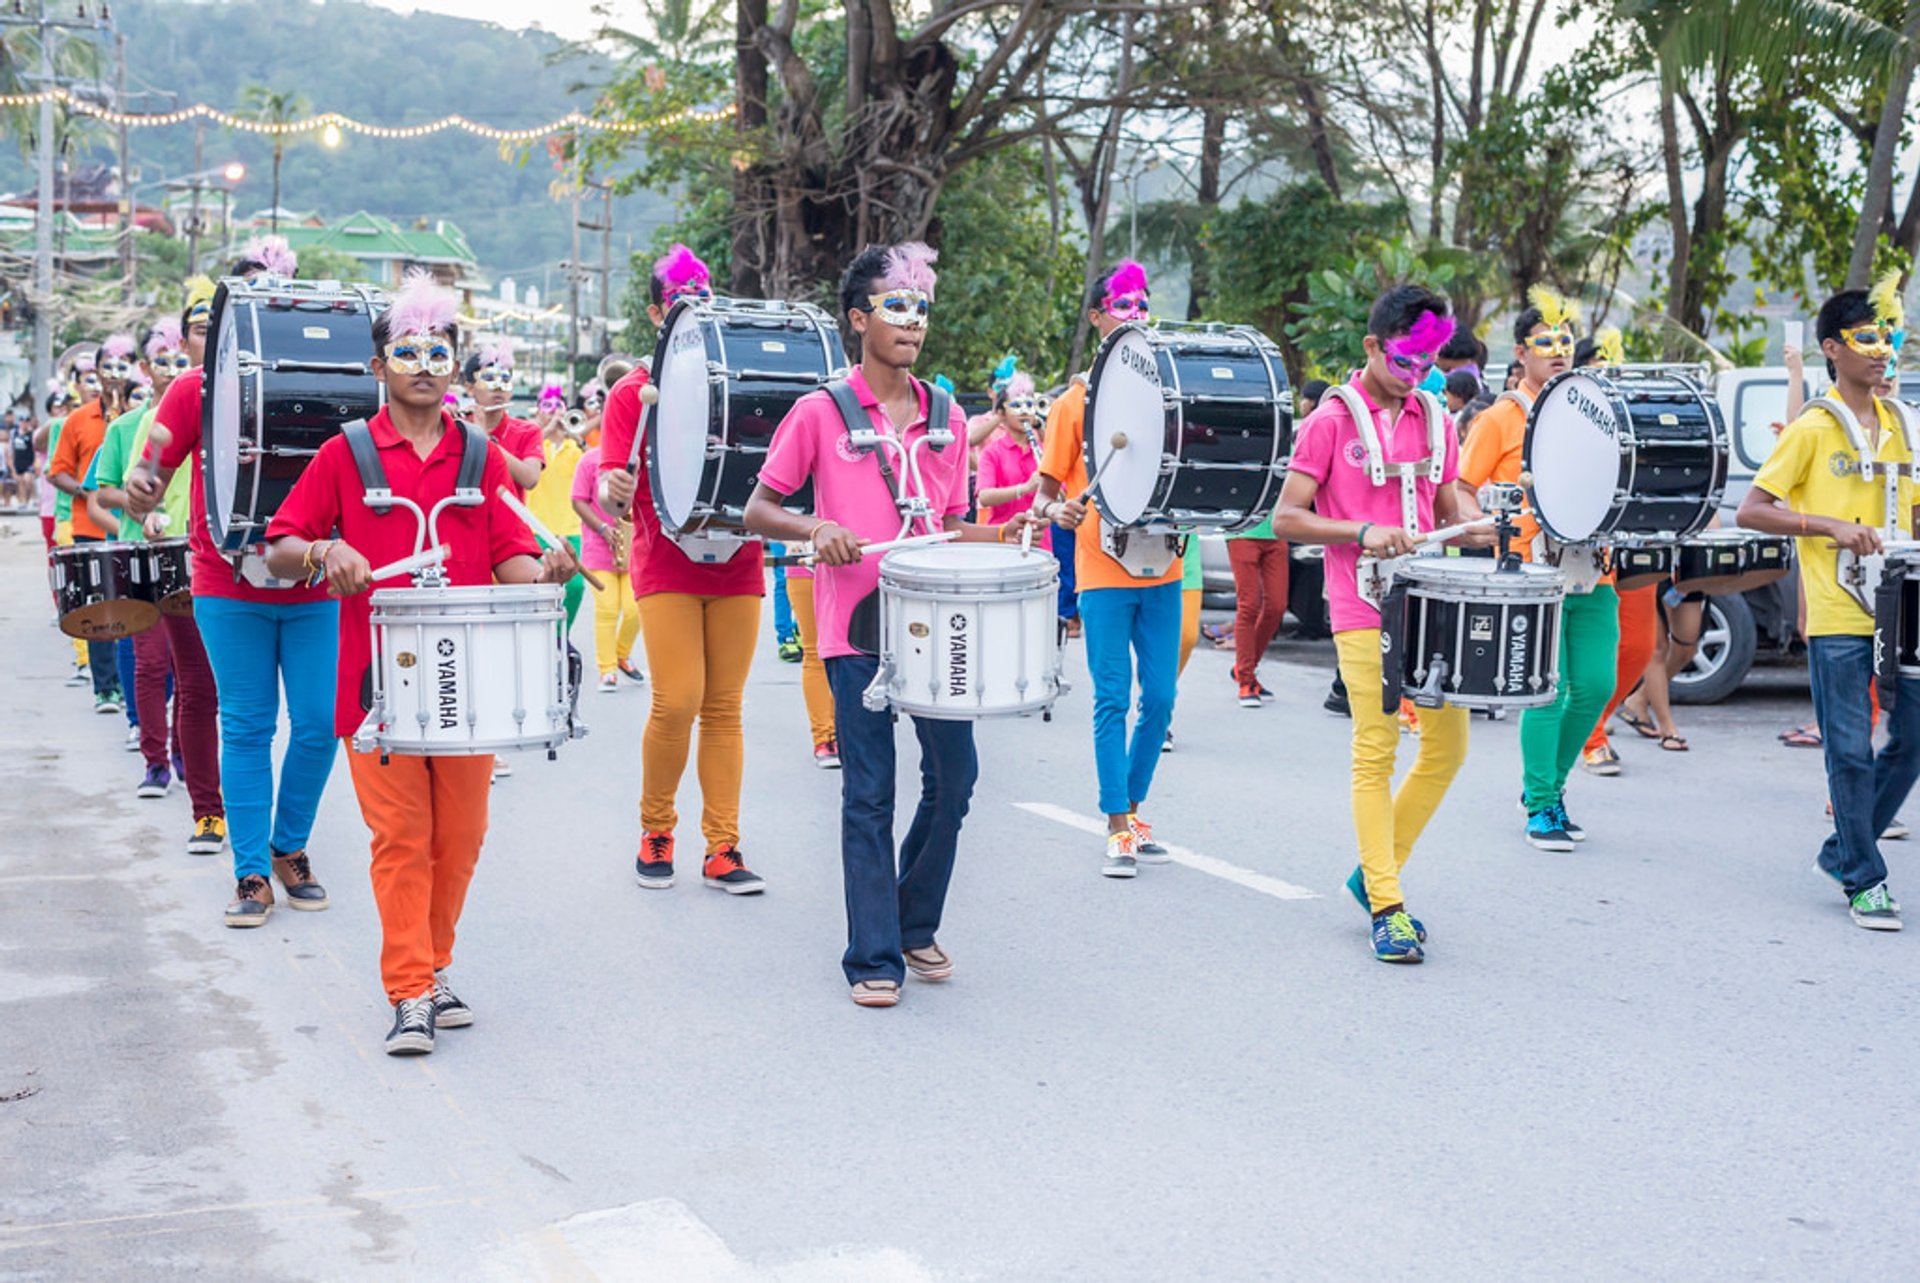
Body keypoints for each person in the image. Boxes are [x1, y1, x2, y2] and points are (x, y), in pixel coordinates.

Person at [263, 271, 579, 1054]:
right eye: (407, 351)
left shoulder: (483, 455)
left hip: (464, 679)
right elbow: (278, 549)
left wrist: (546, 572)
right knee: (401, 835)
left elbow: (508, 554)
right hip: (372, 681)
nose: (425, 364)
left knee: (462, 833)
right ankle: (410, 989)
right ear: (380, 368)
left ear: (455, 366)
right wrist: (325, 550)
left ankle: (433, 965)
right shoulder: (345, 453)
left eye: (438, 350)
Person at [744, 240, 1035, 1007]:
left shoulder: (947, 414)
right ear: (858, 317)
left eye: (920, 308)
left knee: (957, 778)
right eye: (895, 307)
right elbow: (759, 507)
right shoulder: (819, 411)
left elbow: (946, 523)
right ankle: (873, 953)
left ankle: (912, 919)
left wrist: (1008, 534)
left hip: (936, 623)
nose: (912, 322)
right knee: (870, 790)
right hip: (855, 625)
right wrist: (815, 531)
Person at [1272, 284, 1494, 962]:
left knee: (1449, 747)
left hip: (1432, 600)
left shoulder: (1435, 414)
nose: (1418, 374)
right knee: (1376, 746)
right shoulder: (1330, 421)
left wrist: (1477, 520)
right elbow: (1286, 517)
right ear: (1371, 346)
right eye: (1406, 360)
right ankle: (1389, 904)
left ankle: (1371, 873)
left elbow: (1448, 491)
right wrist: (1360, 529)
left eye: (1429, 363)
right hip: (1362, 603)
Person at [127, 249, 339, 928]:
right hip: (226, 580)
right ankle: (251, 871)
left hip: (313, 583)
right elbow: (149, 471)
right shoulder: (192, 389)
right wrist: (141, 485)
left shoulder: (329, 378)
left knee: (319, 724)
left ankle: (288, 843)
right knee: (247, 726)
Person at [1736, 279, 1918, 930]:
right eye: (1868, 338)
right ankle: (1866, 877)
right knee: (1848, 747)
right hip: (1839, 607)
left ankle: (1844, 847)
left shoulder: (1901, 422)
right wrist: (1831, 526)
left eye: (1890, 337)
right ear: (1833, 350)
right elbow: (1753, 509)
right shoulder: (1813, 426)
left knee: (1914, 736)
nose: (1884, 351)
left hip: (1905, 609)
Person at [597, 244, 768, 896]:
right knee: (678, 700)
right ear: (654, 312)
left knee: (724, 706)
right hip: (664, 558)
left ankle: (723, 846)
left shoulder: (739, 382)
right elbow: (616, 487)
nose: (691, 305)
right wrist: (616, 486)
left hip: (739, 557)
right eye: (677, 296)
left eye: (702, 293)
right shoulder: (631, 392)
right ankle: (657, 828)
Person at [1033, 261, 1181, 878]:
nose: (1135, 314)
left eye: (1142, 304)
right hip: (1100, 566)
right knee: (1112, 699)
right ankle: (1117, 823)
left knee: (1164, 701)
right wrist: (1056, 509)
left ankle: (1135, 808)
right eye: (1122, 305)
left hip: (1165, 566)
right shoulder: (1073, 403)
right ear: (1097, 319)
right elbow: (1042, 492)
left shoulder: (1172, 395)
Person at [1460, 285, 1620, 851]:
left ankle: (1550, 788)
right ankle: (1543, 801)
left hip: (1595, 566)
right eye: (1545, 341)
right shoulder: (1503, 416)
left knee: (1597, 684)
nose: (1559, 348)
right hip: (1532, 570)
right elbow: (1461, 487)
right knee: (1547, 691)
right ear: (1521, 352)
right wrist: (1480, 528)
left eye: (1567, 338)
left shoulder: (1596, 406)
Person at [85, 315, 225, 852]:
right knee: (154, 663)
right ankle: (158, 762)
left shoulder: (244, 397)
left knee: (221, 694)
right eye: (161, 359)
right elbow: (116, 492)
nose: (171, 368)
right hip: (159, 554)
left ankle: (197, 765)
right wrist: (144, 511)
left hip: (233, 561)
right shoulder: (134, 424)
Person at [47, 339, 131, 716]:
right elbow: (58, 471)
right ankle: (106, 688)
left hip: (134, 530)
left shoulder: (143, 416)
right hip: (89, 527)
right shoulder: (77, 420)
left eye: (123, 364)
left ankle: (134, 684)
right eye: (108, 366)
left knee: (136, 611)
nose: (115, 374)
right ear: (96, 372)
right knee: (100, 610)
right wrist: (86, 493)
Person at [571, 443, 643, 690]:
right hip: (598, 548)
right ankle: (607, 669)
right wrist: (603, 529)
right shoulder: (590, 460)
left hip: (634, 548)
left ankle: (622, 654)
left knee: (636, 610)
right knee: (608, 609)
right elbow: (578, 501)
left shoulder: (643, 459)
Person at [1227, 500, 1288, 707]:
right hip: (1242, 531)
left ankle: (1244, 669)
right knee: (1249, 605)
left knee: (1277, 606)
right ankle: (1245, 680)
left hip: (1277, 531)